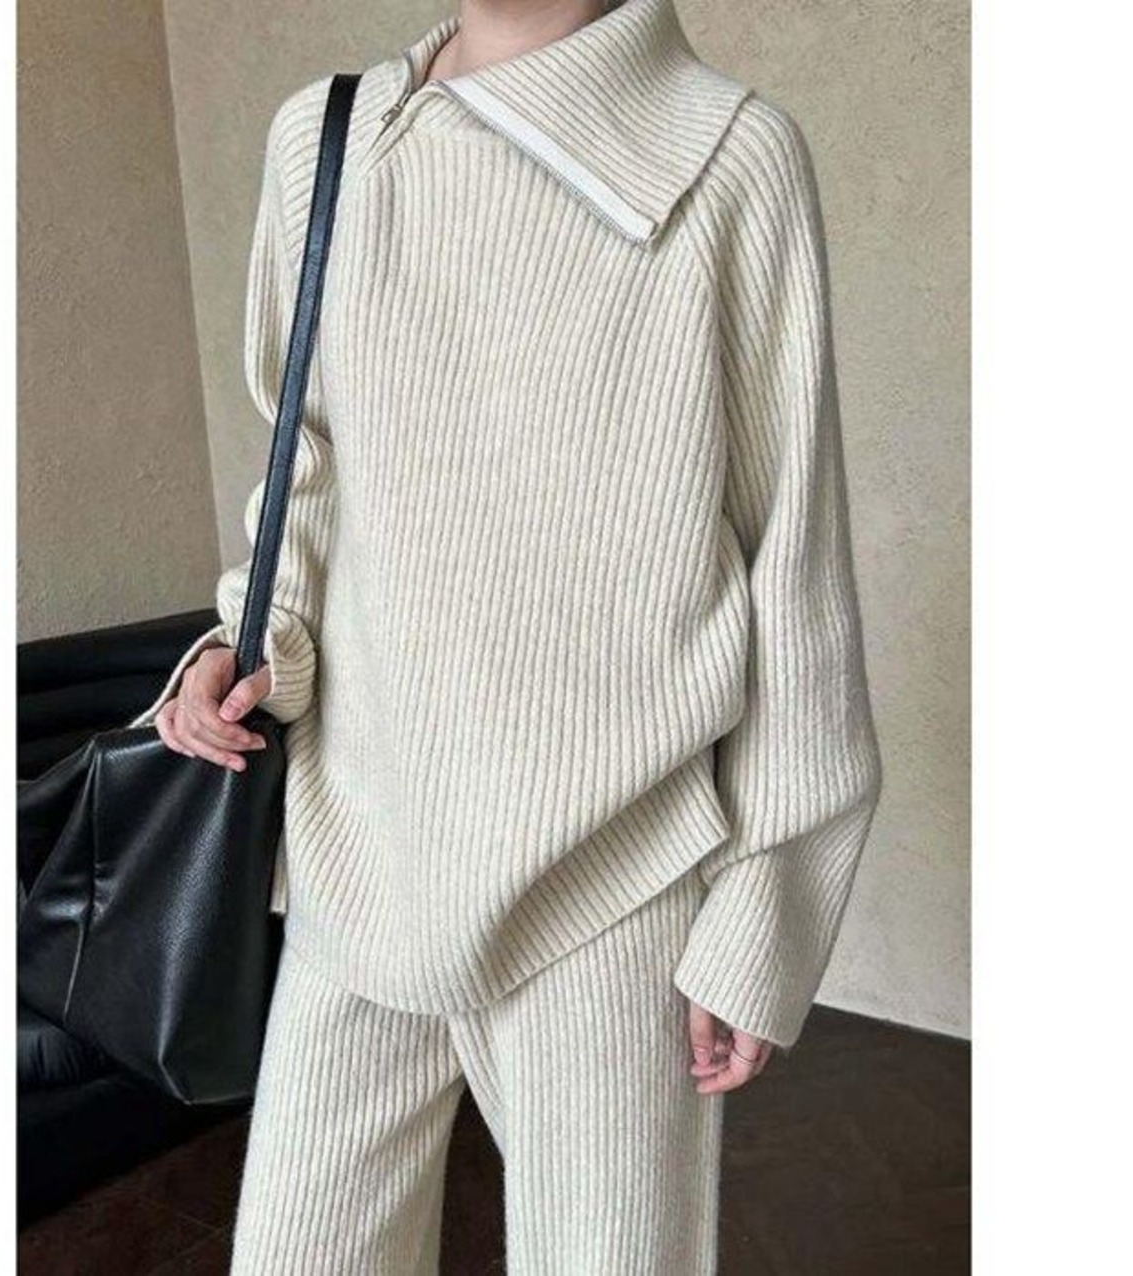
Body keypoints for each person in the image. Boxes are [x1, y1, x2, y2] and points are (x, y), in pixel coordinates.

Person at [132, 0, 884, 1270]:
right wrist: (251, 647)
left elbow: (791, 555)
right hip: (360, 842)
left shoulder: (724, 153)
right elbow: (307, 468)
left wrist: (769, 899)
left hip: (610, 878)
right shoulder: (327, 138)